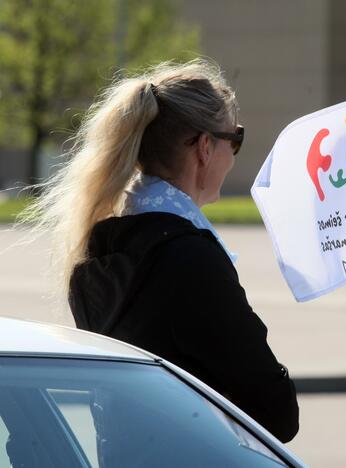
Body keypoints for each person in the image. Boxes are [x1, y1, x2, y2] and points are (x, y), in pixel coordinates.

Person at [26, 60, 299, 442]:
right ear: (205, 147)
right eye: (234, 139)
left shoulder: (100, 248)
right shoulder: (188, 257)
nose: (234, 153)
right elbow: (277, 413)